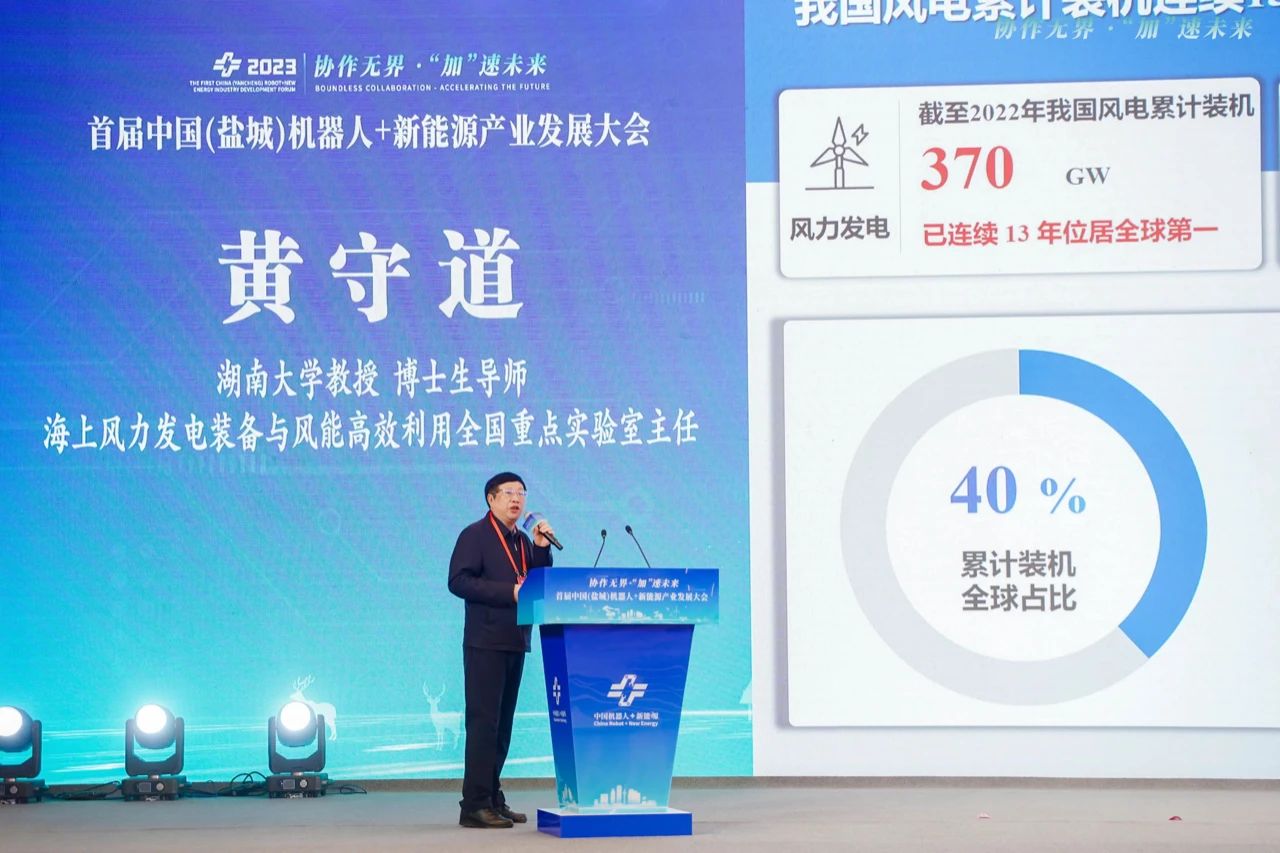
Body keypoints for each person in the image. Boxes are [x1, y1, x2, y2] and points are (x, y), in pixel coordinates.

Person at [447, 471, 555, 829]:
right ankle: (474, 804)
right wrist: (507, 592)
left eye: (521, 493)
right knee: (484, 724)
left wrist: (542, 548)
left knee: (503, 726)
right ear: (491, 499)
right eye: (509, 493)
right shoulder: (475, 535)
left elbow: (536, 584)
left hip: (515, 639)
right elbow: (458, 581)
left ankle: (492, 796)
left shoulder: (523, 540)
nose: (516, 499)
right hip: (485, 641)